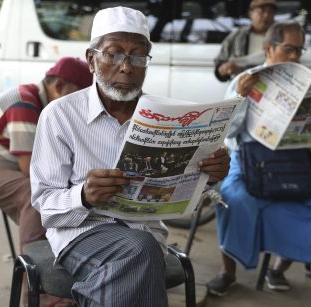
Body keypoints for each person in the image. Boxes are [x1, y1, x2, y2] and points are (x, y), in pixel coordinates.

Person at [30, 6, 231, 306]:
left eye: (138, 56)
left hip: (147, 235)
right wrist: (83, 196)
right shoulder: (59, 116)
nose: (126, 67)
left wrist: (211, 177)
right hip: (81, 234)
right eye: (113, 54)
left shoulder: (170, 118)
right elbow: (45, 207)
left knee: (141, 251)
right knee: (141, 252)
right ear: (91, 60)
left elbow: (187, 203)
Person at [207, 21, 311, 296]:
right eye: (289, 49)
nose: (295, 56)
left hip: (292, 165)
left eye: (299, 50)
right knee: (232, 200)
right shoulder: (246, 79)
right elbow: (228, 131)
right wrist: (240, 96)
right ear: (269, 48)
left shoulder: (307, 81)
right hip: (248, 161)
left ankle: (278, 268)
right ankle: (228, 272)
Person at [0, 57, 93, 253]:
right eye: (78, 98)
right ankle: (31, 273)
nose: (81, 106)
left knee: (54, 196)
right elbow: (31, 171)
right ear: (59, 86)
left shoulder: (42, 104)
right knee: (31, 192)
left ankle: (52, 251)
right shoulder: (24, 104)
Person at [213, 0, 277, 82]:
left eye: (270, 12)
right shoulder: (237, 36)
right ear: (250, 13)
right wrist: (224, 69)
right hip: (242, 88)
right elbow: (220, 62)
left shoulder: (280, 37)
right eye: (261, 11)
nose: (266, 15)